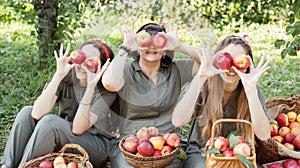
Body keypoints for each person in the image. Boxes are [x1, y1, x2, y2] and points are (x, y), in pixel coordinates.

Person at [0, 40, 117, 168]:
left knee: (51, 123)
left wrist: (90, 86)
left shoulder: (107, 92)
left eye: (91, 60)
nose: (83, 64)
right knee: (26, 112)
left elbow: (77, 129)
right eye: (81, 56)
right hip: (65, 137)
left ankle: (24, 166)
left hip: (96, 148)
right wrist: (58, 75)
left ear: (103, 66)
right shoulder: (67, 77)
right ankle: (7, 165)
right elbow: (36, 113)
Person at [102, 22, 202, 168]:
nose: (152, 46)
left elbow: (207, 61)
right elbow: (110, 84)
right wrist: (126, 47)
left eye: (158, 41)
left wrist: (179, 45)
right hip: (130, 150)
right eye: (146, 41)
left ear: (165, 50)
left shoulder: (177, 69)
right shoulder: (126, 70)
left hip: (168, 149)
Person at [172, 35, 271, 168]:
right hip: (202, 154)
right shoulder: (205, 86)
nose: (231, 68)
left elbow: (264, 135)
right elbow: (178, 121)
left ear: (247, 66)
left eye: (238, 61)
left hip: (238, 155)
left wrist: (251, 90)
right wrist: (200, 78)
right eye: (226, 59)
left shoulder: (252, 90)